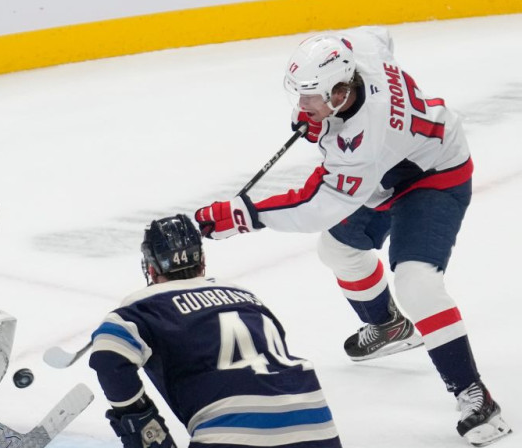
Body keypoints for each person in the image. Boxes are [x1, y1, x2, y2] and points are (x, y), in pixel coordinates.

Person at [194, 27, 511, 446]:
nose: (302, 106)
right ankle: (389, 327)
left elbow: (317, 205)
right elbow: (379, 35)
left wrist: (243, 215)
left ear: (341, 93)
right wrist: (328, 119)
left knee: (418, 283)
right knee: (339, 248)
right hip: (393, 166)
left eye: (311, 96)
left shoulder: (361, 142)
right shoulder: (356, 52)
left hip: (435, 174)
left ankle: (475, 396)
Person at [89, 214, 342, 448]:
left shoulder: (145, 303)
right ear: (203, 262)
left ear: (152, 269)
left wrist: (142, 424)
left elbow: (108, 356)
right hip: (318, 429)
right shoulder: (246, 296)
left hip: (233, 435)